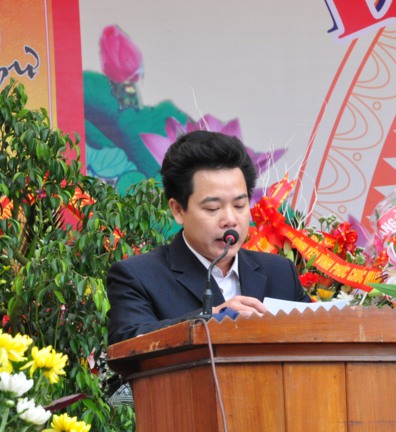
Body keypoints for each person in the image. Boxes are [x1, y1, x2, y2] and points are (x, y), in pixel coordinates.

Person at [107, 130, 311, 344]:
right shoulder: (138, 276)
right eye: (213, 208)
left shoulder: (280, 272)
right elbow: (128, 341)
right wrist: (212, 318)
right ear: (178, 210)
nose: (230, 220)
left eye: (239, 205)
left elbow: (316, 334)